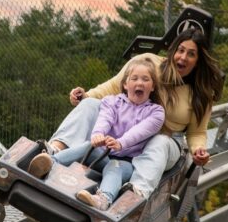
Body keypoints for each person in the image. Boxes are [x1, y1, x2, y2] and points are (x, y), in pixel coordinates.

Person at [43, 27, 223, 199]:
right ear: (173, 50)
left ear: (198, 60)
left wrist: (199, 150)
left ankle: (136, 192)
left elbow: (197, 132)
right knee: (90, 104)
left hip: (162, 142)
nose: (183, 57)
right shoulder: (149, 64)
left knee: (159, 141)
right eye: (180, 50)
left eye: (191, 54)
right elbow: (114, 85)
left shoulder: (201, 93)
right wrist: (86, 95)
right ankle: (55, 149)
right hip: (125, 131)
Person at [27, 58, 165, 210]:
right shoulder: (111, 102)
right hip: (101, 155)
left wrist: (121, 143)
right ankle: (49, 162)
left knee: (114, 165)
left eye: (146, 79)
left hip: (125, 162)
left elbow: (139, 132)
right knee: (87, 146)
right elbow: (105, 118)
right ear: (126, 84)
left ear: (152, 87)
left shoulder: (156, 112)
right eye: (134, 78)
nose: (139, 83)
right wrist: (98, 135)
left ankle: (103, 199)